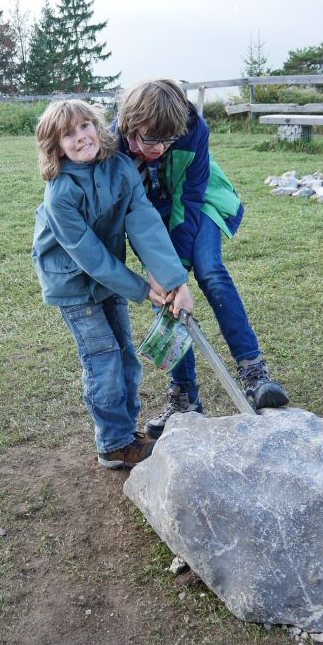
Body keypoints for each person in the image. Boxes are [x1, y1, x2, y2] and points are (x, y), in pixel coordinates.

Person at [115, 79, 289, 437]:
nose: (161, 149)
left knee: (209, 269)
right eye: (151, 140)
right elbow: (129, 214)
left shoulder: (193, 130)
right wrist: (167, 277)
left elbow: (190, 199)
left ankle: (254, 373)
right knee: (163, 294)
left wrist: (178, 270)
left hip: (202, 201)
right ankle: (184, 397)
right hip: (152, 214)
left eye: (168, 141)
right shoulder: (113, 144)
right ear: (130, 126)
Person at [32, 99, 194, 469]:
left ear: (98, 126)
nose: (80, 137)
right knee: (102, 360)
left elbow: (144, 221)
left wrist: (171, 280)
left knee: (125, 355)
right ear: (56, 146)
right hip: (72, 282)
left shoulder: (120, 168)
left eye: (85, 126)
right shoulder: (60, 194)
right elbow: (88, 256)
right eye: (67, 135)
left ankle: (127, 433)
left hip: (109, 277)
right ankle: (113, 444)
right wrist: (140, 288)